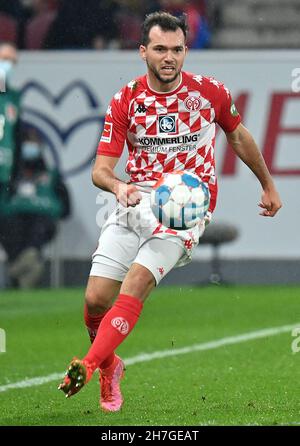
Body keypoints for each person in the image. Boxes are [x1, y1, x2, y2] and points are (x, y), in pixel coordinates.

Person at [58, 11, 282, 411]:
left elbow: (239, 135)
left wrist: (267, 183)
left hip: (185, 209)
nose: (169, 57)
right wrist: (118, 185)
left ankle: (90, 365)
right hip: (135, 201)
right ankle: (112, 366)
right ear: (143, 51)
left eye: (177, 49)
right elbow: (100, 170)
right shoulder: (126, 100)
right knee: (94, 300)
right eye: (160, 49)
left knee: (137, 282)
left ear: (185, 51)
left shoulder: (209, 92)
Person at [1, 126, 71, 288]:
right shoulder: (8, 175)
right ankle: (29, 265)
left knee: (39, 225)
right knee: (10, 226)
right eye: (27, 142)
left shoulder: (52, 175)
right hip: (12, 220)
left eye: (34, 143)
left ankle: (18, 267)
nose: (30, 147)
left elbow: (66, 207)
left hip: (42, 221)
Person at [0, 42, 21, 266]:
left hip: (4, 171)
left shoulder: (13, 97)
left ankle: (18, 264)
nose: (8, 65)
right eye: (4, 59)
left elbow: (16, 137)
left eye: (13, 61)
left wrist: (14, 173)